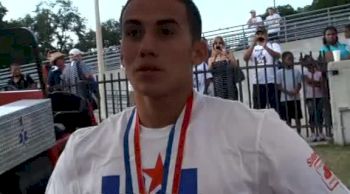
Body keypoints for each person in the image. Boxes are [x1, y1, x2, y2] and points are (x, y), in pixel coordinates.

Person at [46, 0, 350, 193]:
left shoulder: (258, 134)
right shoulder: (81, 152)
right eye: (133, 33)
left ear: (198, 52)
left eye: (165, 32)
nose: (146, 46)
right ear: (123, 53)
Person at [243, 26, 281, 111]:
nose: (260, 35)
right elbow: (245, 58)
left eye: (262, 33)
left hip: (272, 81)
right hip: (258, 83)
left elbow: (278, 56)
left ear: (266, 34)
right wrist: (253, 44)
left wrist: (266, 46)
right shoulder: (253, 48)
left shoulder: (273, 45)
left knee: (275, 110)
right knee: (258, 110)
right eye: (258, 34)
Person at [208, 36, 243, 100]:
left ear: (223, 45)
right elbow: (209, 71)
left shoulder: (229, 53)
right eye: (215, 43)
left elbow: (235, 65)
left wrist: (226, 55)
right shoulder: (211, 59)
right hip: (218, 87)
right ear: (213, 46)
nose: (218, 45)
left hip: (230, 86)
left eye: (220, 43)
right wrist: (215, 56)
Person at [276, 51, 302, 134]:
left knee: (297, 117)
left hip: (296, 98)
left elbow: (299, 84)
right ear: (283, 60)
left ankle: (299, 133)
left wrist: (296, 90)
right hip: (285, 99)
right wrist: (288, 92)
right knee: (288, 118)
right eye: (289, 59)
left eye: (292, 59)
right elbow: (278, 86)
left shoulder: (297, 72)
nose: (291, 61)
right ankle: (290, 135)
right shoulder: (279, 73)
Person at [302, 55, 326, 142]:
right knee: (311, 115)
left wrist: (315, 83)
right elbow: (308, 82)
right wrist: (318, 83)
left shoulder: (319, 72)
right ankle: (313, 133)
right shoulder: (304, 73)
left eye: (311, 61)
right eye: (308, 62)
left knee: (319, 115)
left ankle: (320, 132)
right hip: (309, 97)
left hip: (319, 96)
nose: (310, 63)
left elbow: (321, 84)